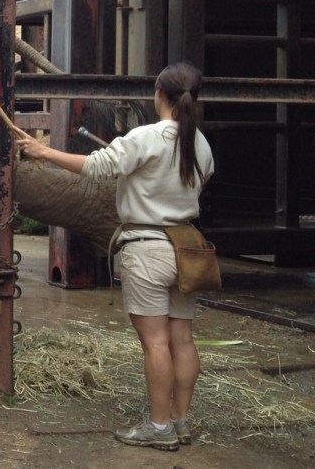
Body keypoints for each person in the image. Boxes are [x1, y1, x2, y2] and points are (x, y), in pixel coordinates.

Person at [15, 62, 214, 452]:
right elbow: (196, 183)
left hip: (147, 248)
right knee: (182, 339)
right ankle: (180, 421)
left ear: (159, 94)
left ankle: (158, 428)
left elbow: (95, 167)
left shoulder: (145, 137)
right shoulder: (200, 144)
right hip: (187, 249)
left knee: (155, 343)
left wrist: (42, 151)